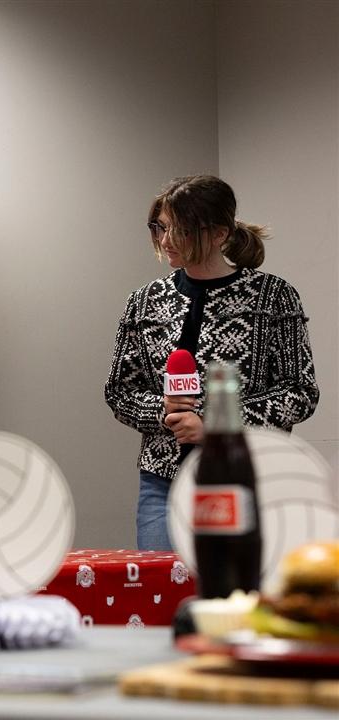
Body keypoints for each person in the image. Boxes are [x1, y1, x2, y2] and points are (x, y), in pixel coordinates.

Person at [105, 175, 319, 551]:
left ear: (219, 234)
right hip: (162, 483)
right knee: (161, 599)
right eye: (160, 227)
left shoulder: (273, 297)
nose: (165, 240)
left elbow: (299, 393)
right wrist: (164, 411)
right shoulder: (144, 301)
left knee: (234, 599)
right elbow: (120, 391)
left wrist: (215, 425)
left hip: (246, 479)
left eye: (179, 230)